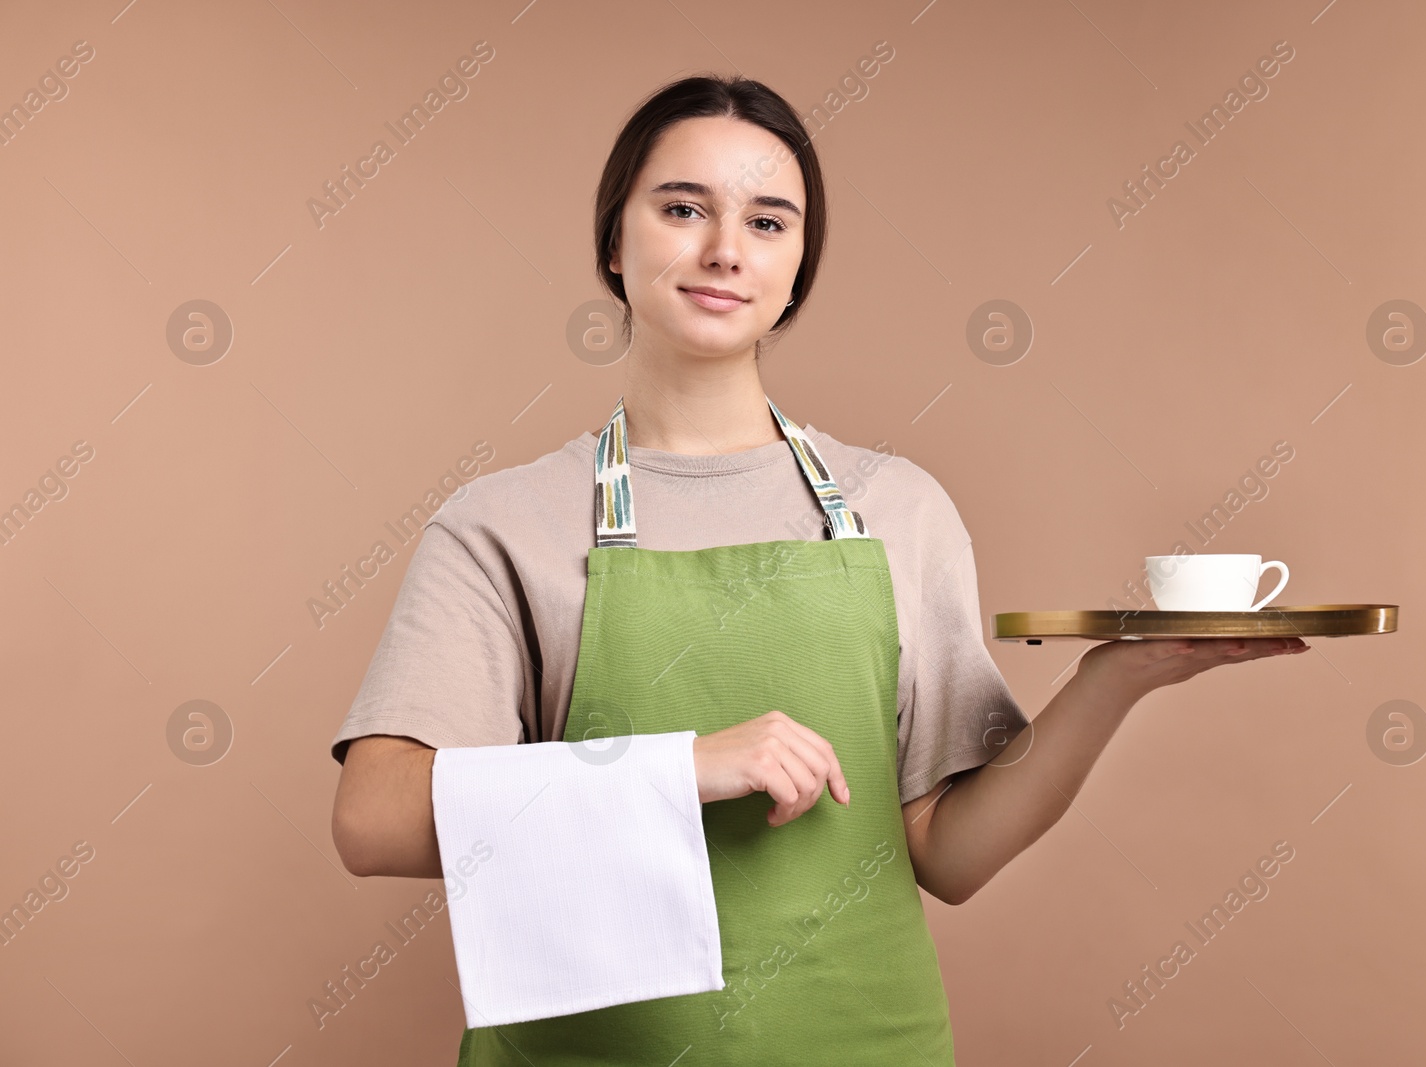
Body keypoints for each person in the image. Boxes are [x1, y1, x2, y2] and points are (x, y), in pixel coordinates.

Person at [328, 72, 1308, 1066]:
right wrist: (682, 768)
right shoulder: (503, 524)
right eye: (682, 209)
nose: (723, 249)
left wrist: (1117, 676)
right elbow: (372, 819)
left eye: (767, 222)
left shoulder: (900, 509)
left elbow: (947, 851)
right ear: (612, 243)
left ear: (796, 270)